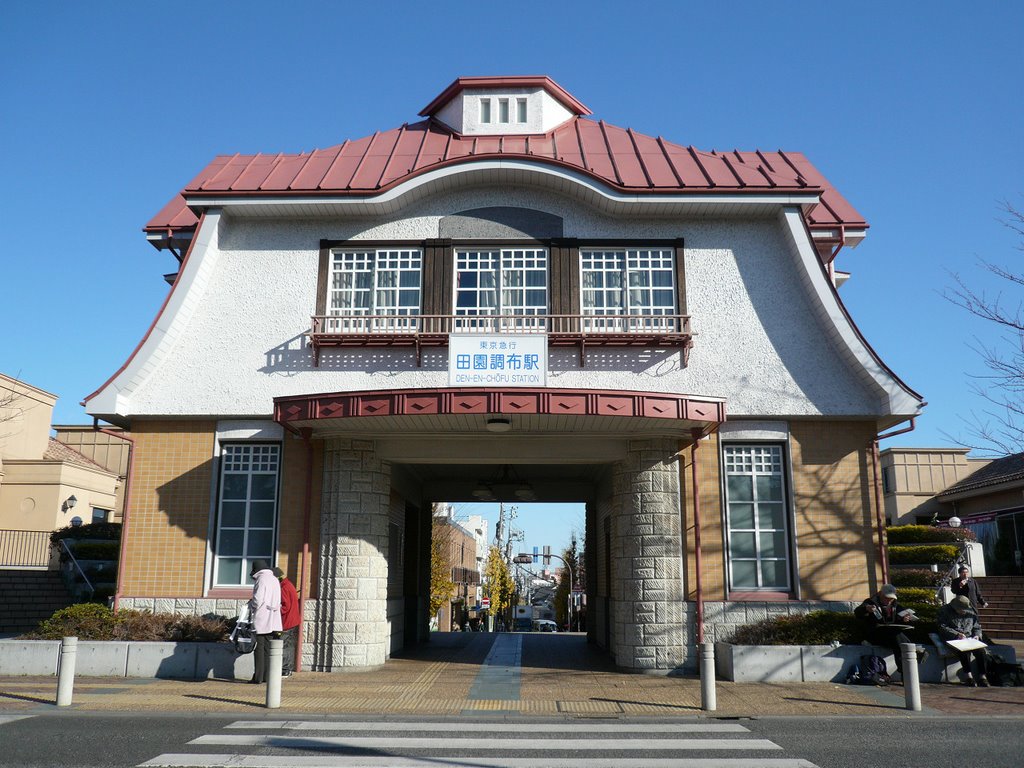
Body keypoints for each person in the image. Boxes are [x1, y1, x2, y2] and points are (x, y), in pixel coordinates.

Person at [854, 584, 918, 677]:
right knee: (899, 639)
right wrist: (866, 609)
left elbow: (899, 619)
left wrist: (904, 619)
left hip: (891, 636)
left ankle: (906, 669)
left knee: (899, 640)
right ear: (880, 594)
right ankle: (908, 666)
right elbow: (857, 613)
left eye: (891, 598)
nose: (889, 601)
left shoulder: (896, 605)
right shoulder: (870, 602)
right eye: (886, 598)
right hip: (875, 634)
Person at [937, 594, 989, 686]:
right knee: (964, 652)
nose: (963, 612)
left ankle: (982, 676)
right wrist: (956, 634)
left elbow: (977, 627)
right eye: (961, 610)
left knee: (981, 651)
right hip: (953, 638)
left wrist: (977, 635)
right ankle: (968, 676)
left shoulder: (971, 612)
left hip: (969, 638)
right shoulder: (944, 610)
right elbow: (942, 626)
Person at [248, 559, 282, 684]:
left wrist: (251, 605)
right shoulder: (274, 579)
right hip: (273, 618)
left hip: (262, 618)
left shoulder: (261, 579)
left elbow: (258, 599)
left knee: (259, 648)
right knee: (268, 649)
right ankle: (267, 676)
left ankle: (258, 677)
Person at [273, 566, 300, 678]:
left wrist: (274, 608)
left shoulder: (283, 587)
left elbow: (285, 606)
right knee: (289, 645)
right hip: (293, 620)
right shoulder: (289, 584)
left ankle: (285, 669)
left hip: (287, 621)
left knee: (284, 645)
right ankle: (287, 668)